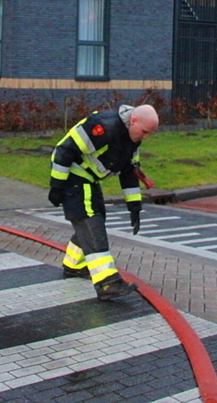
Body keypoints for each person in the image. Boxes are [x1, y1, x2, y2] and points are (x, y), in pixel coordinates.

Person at [48, 103, 159, 301]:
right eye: (144, 132)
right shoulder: (103, 127)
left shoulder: (133, 139)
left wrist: (134, 206)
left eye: (149, 134)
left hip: (89, 178)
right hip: (74, 175)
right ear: (133, 120)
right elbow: (64, 151)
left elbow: (129, 172)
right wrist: (57, 186)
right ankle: (107, 282)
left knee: (93, 219)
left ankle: (74, 266)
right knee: (92, 223)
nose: (146, 137)